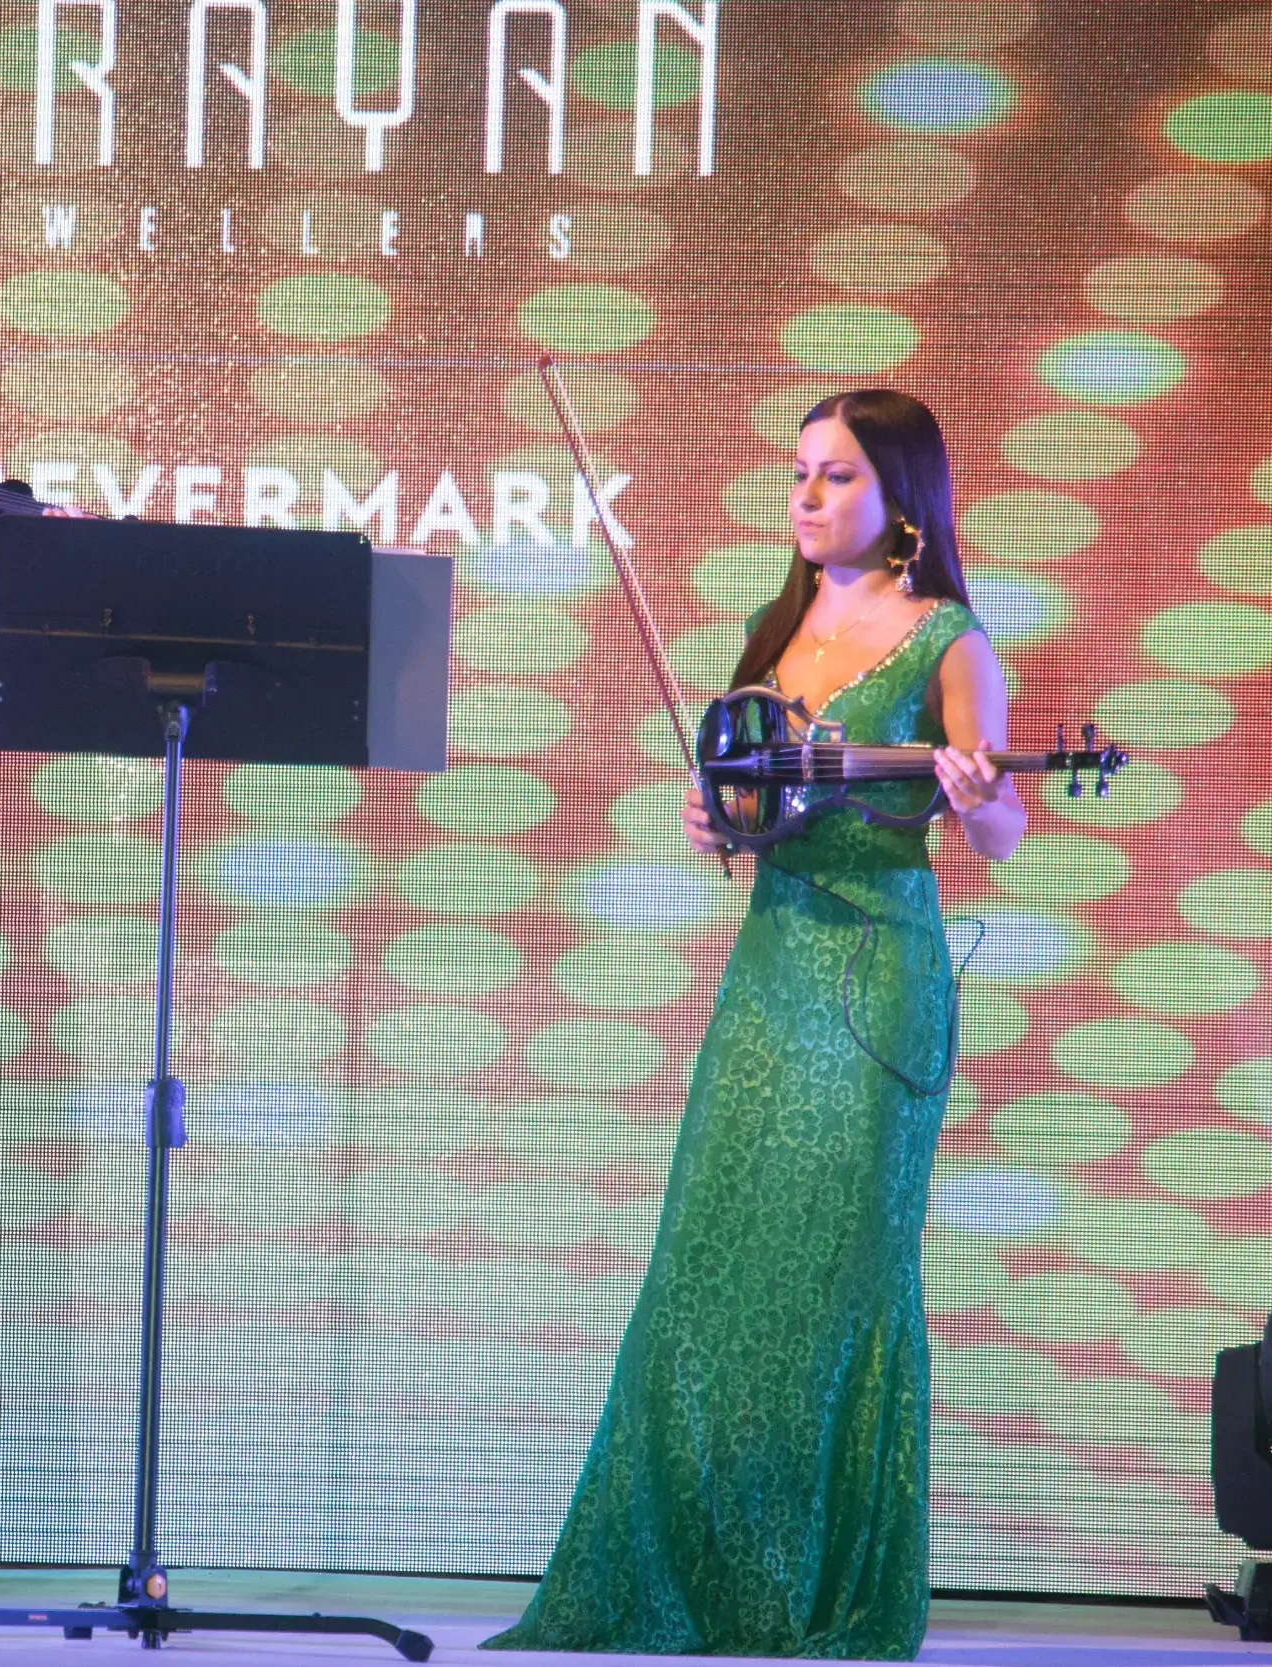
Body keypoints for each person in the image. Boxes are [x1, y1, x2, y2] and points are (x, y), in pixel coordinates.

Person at [485, 389, 1024, 1659]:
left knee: (838, 1285)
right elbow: (743, 800)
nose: (805, 497)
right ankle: (700, 1583)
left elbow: (999, 829)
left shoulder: (949, 640)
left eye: (835, 477)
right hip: (770, 973)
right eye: (797, 474)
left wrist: (972, 789)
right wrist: (713, 820)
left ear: (902, 502)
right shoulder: (773, 628)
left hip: (879, 970)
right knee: (715, 1269)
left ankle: (822, 1590)